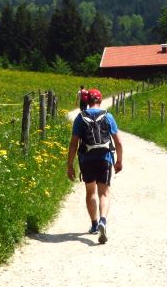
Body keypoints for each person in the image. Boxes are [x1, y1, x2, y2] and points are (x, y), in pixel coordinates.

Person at [67, 88, 123, 244]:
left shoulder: (80, 118)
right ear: (100, 100)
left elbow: (73, 144)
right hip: (105, 158)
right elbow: (118, 141)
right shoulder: (108, 116)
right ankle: (103, 222)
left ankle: (93, 224)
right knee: (104, 193)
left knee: (91, 191)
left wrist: (70, 165)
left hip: (86, 159)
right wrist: (119, 161)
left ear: (87, 101)